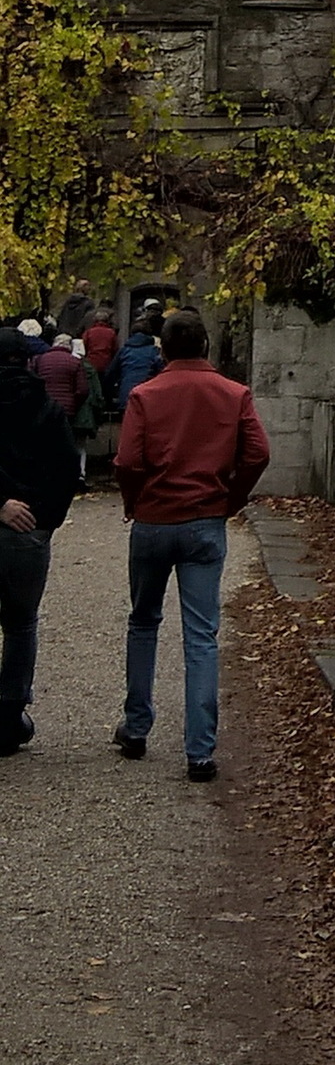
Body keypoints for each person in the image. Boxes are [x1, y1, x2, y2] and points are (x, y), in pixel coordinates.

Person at [113, 309, 269, 783]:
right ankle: (199, 750)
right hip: (204, 518)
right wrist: (231, 498)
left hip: (155, 519)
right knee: (201, 635)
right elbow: (258, 452)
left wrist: (134, 502)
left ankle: (137, 727)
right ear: (206, 346)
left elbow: (128, 460)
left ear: (163, 348)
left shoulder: (145, 395)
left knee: (143, 621)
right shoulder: (233, 393)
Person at [1, 319, 83, 755]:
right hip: (30, 531)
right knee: (20, 623)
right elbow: (68, 468)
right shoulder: (48, 409)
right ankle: (9, 714)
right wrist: (46, 519)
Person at [116, 313, 164, 411]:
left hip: (126, 397)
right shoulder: (154, 351)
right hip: (149, 398)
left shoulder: (124, 351)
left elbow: (110, 375)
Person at [82, 302, 119, 410]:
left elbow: (84, 346)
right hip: (106, 363)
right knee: (106, 386)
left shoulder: (89, 332)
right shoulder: (111, 333)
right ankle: (106, 407)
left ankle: (94, 406)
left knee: (93, 387)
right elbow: (115, 349)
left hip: (92, 362)